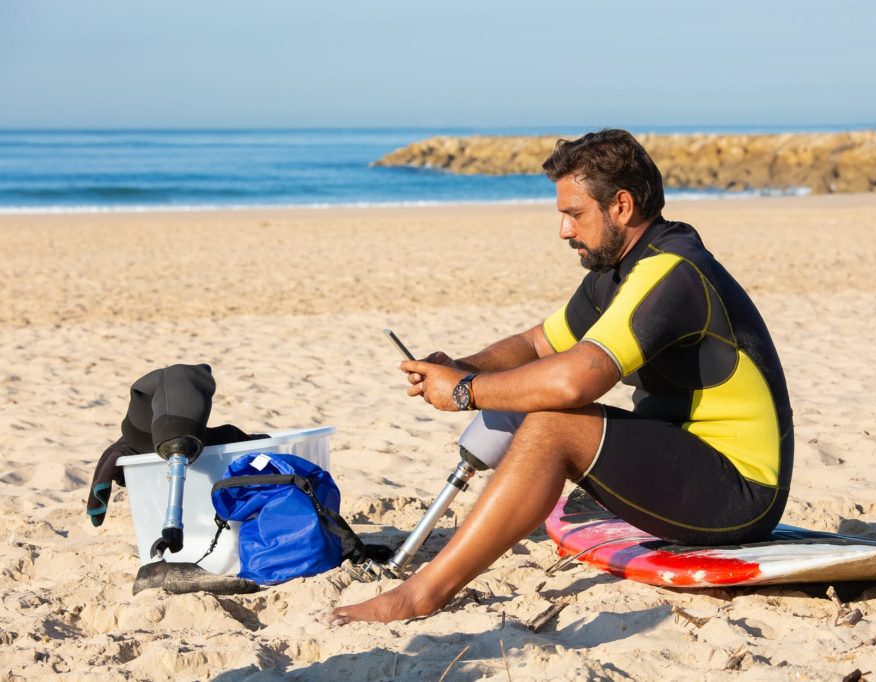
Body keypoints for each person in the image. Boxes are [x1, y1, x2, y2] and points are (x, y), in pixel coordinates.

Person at [324, 129, 793, 625]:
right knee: (545, 406)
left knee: (554, 423)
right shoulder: (618, 270)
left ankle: (421, 595)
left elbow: (576, 382)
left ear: (622, 206)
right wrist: (463, 367)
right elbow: (537, 345)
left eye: (574, 214)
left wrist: (464, 393)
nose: (564, 231)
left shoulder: (672, 272)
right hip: (689, 454)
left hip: (742, 491)